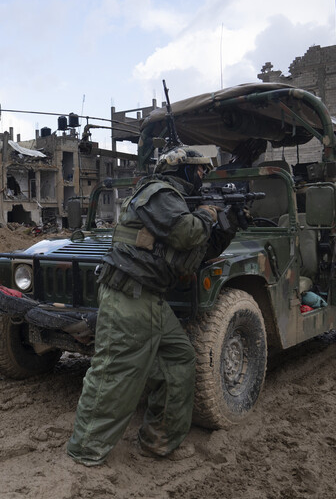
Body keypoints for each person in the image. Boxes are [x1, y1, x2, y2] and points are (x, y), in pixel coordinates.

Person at [66, 147, 237, 466]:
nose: (203, 176)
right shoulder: (158, 192)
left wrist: (228, 223)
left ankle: (159, 440)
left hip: (149, 298)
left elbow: (194, 252)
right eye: (199, 170)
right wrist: (208, 214)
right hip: (128, 296)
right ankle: (84, 453)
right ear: (182, 169)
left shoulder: (175, 200)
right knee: (115, 371)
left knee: (178, 358)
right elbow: (186, 233)